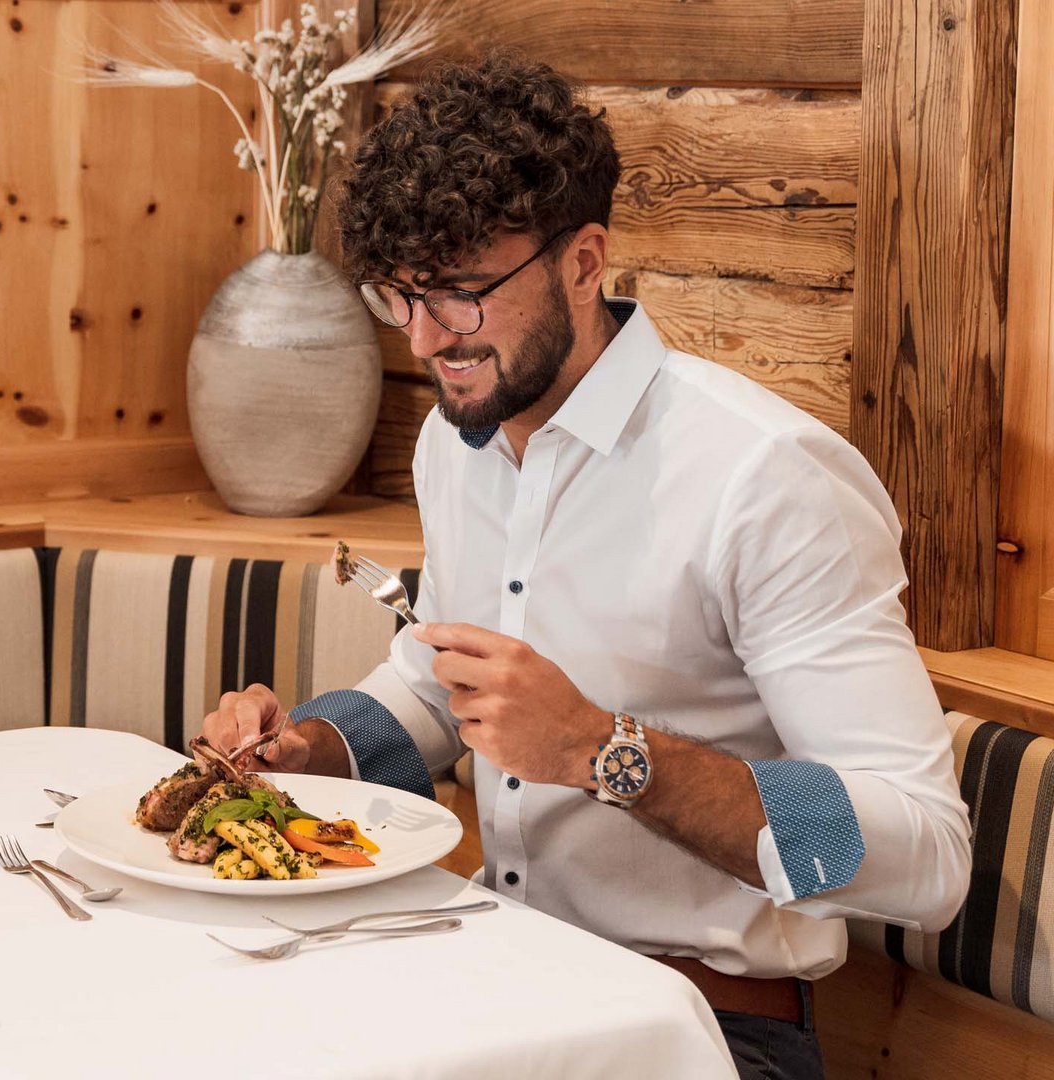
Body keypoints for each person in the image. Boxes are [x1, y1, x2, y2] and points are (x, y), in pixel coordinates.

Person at [202, 55, 970, 1079]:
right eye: (400, 297)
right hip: (500, 986)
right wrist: (310, 748)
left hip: (711, 1028)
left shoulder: (765, 478)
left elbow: (928, 857)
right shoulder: (456, 441)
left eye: (461, 294)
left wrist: (604, 750)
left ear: (583, 261)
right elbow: (437, 682)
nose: (425, 340)